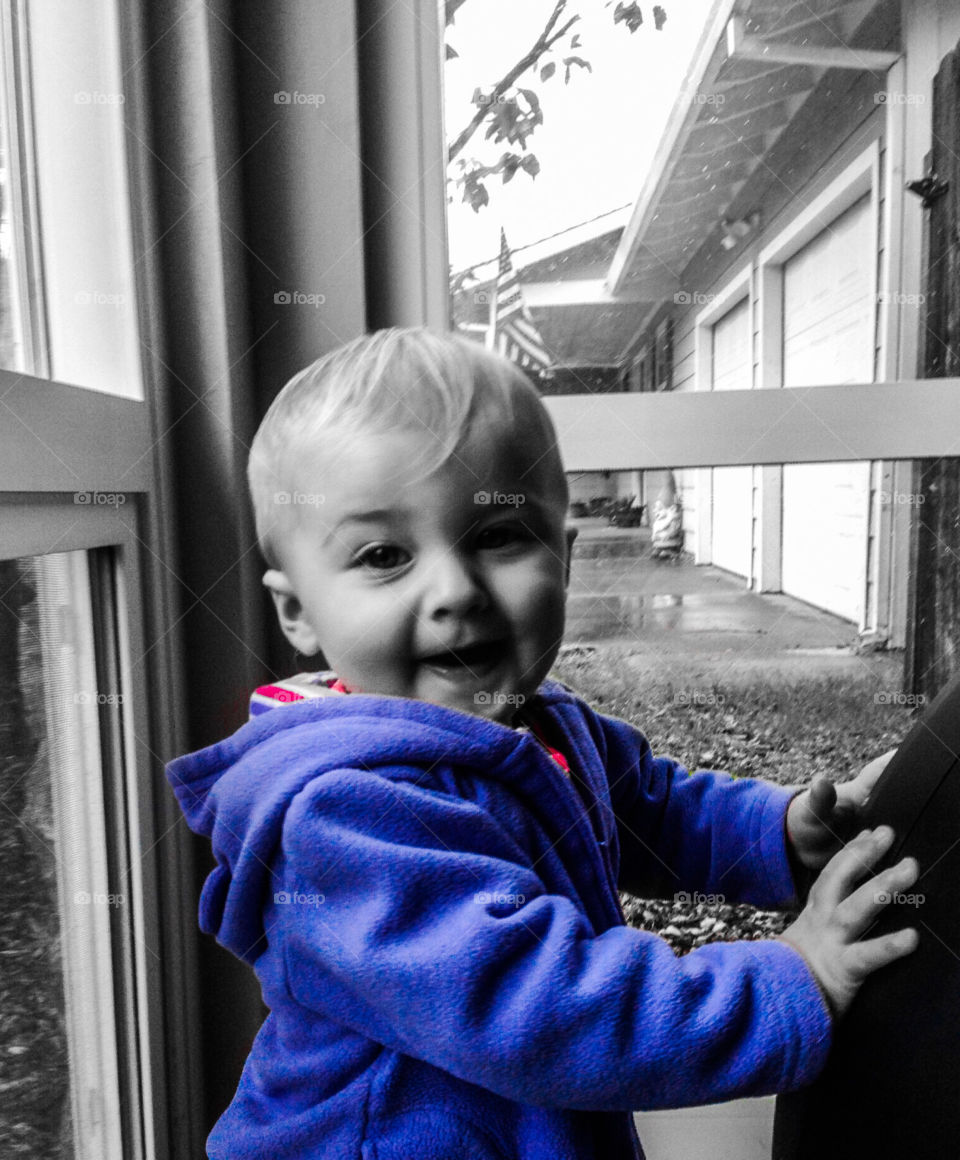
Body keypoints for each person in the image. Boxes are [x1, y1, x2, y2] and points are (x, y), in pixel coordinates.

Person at [166, 327, 919, 1160]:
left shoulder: (539, 721)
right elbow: (542, 1009)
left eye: (496, 536)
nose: (454, 590)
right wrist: (789, 983)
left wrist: (778, 830)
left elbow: (650, 807)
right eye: (384, 556)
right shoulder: (341, 815)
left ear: (563, 558)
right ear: (297, 612)